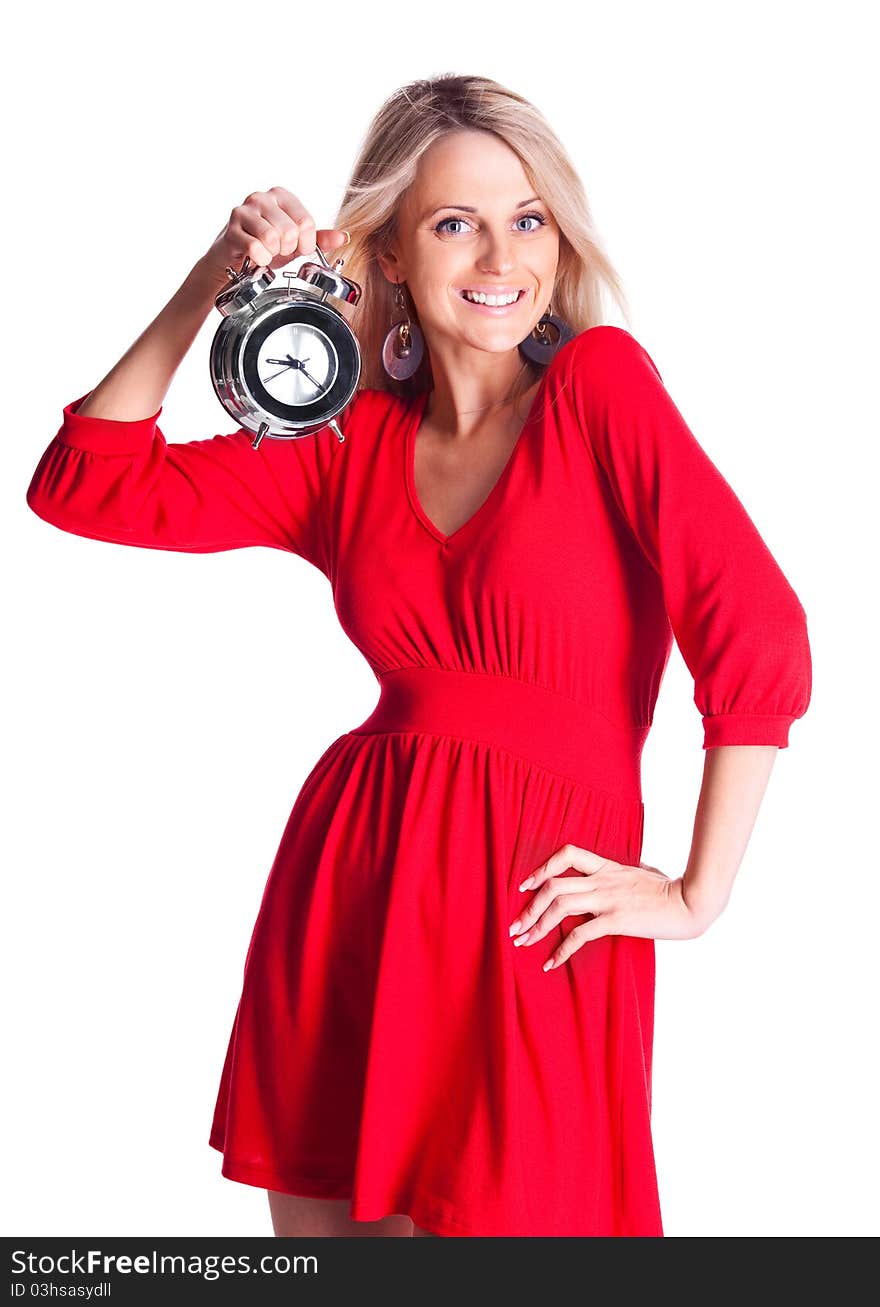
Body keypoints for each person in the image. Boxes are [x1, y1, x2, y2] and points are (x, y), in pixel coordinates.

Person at [25, 73, 812, 1239]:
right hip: (354, 890)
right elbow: (86, 482)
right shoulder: (344, 445)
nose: (501, 254)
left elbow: (757, 624)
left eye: (527, 218)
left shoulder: (598, 387)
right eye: (455, 222)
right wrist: (213, 279)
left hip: (535, 909)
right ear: (388, 251)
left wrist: (698, 892)